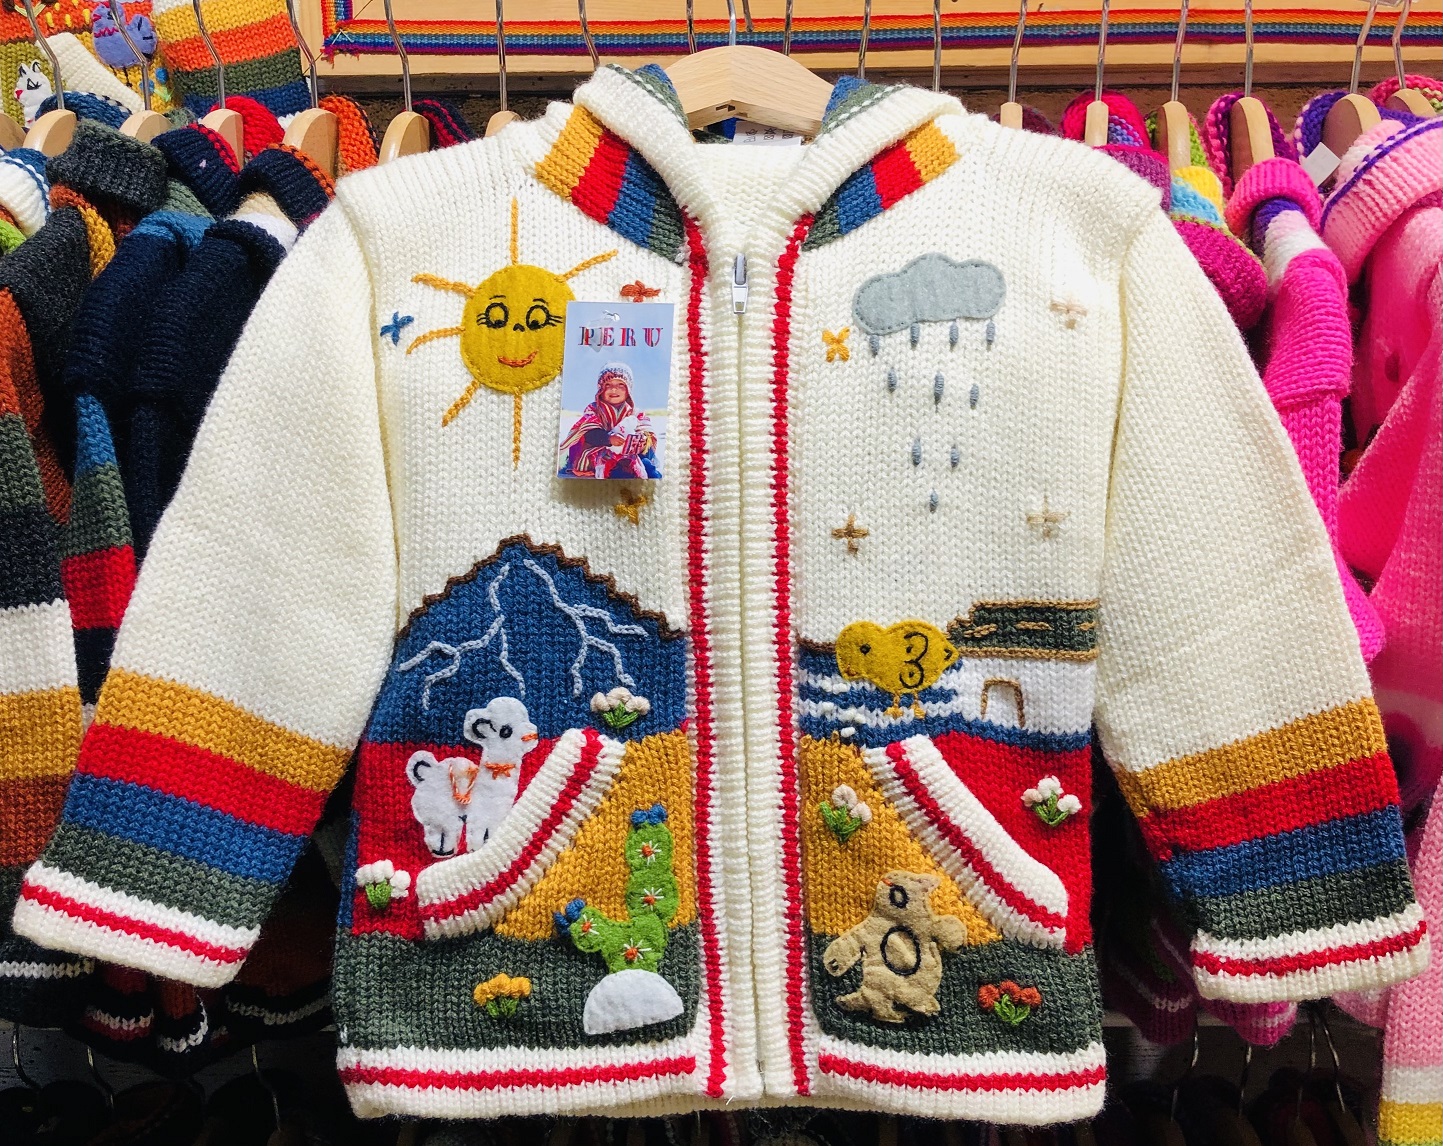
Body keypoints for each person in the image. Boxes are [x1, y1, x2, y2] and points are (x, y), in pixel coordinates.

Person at [558, 362, 660, 479]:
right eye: (608, 385)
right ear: (600, 389)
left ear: (628, 390)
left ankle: (647, 470)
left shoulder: (635, 413)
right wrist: (608, 439)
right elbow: (588, 432)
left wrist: (642, 441)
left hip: (629, 453)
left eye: (621, 385)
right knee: (606, 464)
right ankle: (615, 471)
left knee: (644, 460)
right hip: (600, 451)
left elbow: (647, 431)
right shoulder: (595, 409)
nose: (614, 389)